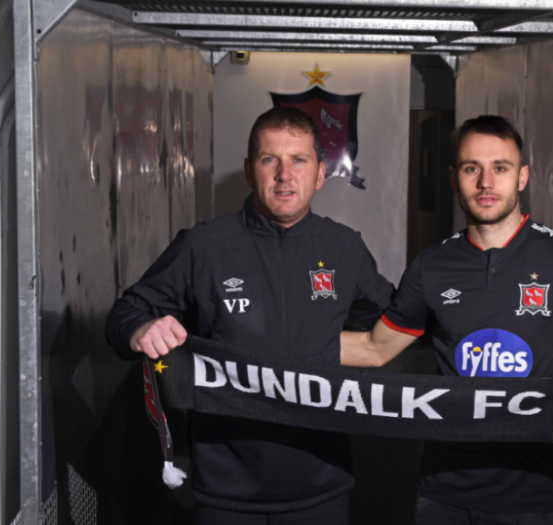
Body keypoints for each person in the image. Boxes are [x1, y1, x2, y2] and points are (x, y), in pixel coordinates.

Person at [341, 115, 553, 525]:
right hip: (442, 493)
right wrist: (276, 343)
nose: (486, 183)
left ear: (522, 177)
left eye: (500, 168)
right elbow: (374, 349)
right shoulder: (431, 267)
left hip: (534, 496)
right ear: (453, 178)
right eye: (472, 168)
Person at [106, 107, 393, 524]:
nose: (284, 175)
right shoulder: (203, 246)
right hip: (225, 490)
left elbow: (393, 318)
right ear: (248, 170)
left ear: (319, 174)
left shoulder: (344, 248)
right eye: (268, 159)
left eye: (299, 160)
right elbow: (125, 314)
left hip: (322, 484)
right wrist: (140, 328)